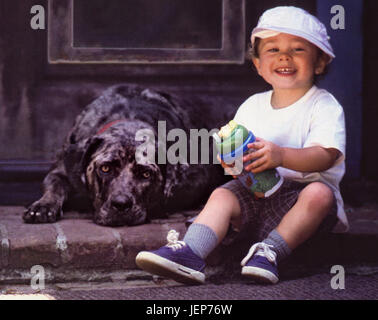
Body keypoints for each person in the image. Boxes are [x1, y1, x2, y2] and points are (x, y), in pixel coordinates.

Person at [135, 6, 347, 285]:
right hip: (256, 197)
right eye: (273, 50)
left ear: (320, 63)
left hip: (301, 204)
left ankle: (270, 251)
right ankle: (190, 253)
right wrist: (233, 162)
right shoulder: (252, 105)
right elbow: (239, 155)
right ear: (258, 64)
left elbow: (325, 156)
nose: (284, 56)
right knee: (223, 194)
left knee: (320, 193)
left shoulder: (323, 105)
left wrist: (280, 155)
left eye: (298, 49)